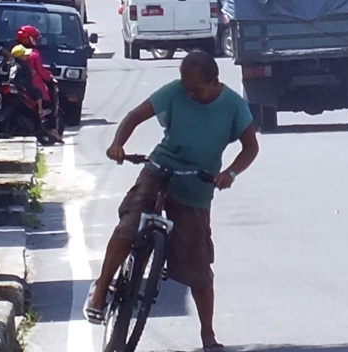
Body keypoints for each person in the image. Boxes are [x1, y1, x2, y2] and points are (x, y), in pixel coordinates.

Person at [83, 50, 259, 352]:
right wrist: (117, 145)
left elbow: (250, 147)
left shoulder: (233, 105)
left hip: (196, 186)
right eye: (185, 86)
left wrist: (229, 173)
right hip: (160, 168)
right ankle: (100, 291)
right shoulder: (175, 91)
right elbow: (134, 116)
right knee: (128, 228)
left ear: (214, 82)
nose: (188, 93)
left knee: (199, 269)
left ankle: (208, 335)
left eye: (195, 89)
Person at [17, 25, 63, 143]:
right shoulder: (34, 54)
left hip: (21, 84)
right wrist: (50, 77)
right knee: (50, 105)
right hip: (35, 84)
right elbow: (41, 72)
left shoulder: (17, 51)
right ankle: (53, 130)